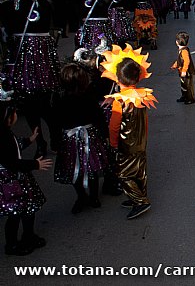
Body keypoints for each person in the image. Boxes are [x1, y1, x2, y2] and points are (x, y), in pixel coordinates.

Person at [1, 0, 61, 158]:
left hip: (41, 57)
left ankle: (55, 138)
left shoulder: (43, 4)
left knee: (47, 104)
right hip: (20, 59)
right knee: (29, 106)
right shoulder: (8, 7)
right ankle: (40, 142)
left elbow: (50, 16)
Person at [101, 45, 157, 220]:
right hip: (140, 142)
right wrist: (144, 137)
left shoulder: (120, 101)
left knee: (124, 173)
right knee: (140, 171)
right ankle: (138, 196)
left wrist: (112, 143)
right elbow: (145, 121)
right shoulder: (142, 96)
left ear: (117, 79)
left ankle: (140, 201)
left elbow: (114, 125)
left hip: (126, 144)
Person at [52, 63, 109, 214]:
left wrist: (56, 142)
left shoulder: (59, 99)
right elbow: (99, 117)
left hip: (70, 140)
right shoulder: (89, 97)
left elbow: (55, 122)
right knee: (91, 169)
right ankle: (93, 197)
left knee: (75, 169)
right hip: (89, 137)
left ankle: (82, 196)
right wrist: (105, 135)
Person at [0, 101, 52, 255]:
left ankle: (28, 236)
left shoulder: (5, 133)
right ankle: (13, 244)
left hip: (17, 179)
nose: (16, 116)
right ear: (8, 119)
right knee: (18, 213)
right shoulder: (3, 137)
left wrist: (30, 139)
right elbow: (12, 162)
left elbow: (15, 148)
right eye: (13, 114)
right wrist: (35, 164)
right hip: (12, 182)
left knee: (26, 210)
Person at [171, 31, 195, 105]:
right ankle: (184, 96)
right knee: (183, 85)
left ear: (177, 42)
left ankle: (190, 99)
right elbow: (179, 60)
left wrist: (184, 70)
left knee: (188, 86)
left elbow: (187, 61)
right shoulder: (182, 50)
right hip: (182, 72)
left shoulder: (184, 51)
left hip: (186, 73)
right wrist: (175, 65)